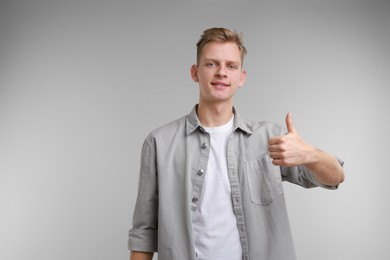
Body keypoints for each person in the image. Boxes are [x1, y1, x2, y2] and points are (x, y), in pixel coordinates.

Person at [128, 27, 344, 260]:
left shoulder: (270, 138)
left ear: (241, 77)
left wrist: (311, 154)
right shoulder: (159, 143)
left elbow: (335, 177)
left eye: (231, 66)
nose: (222, 72)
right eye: (211, 64)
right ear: (195, 72)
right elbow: (144, 231)